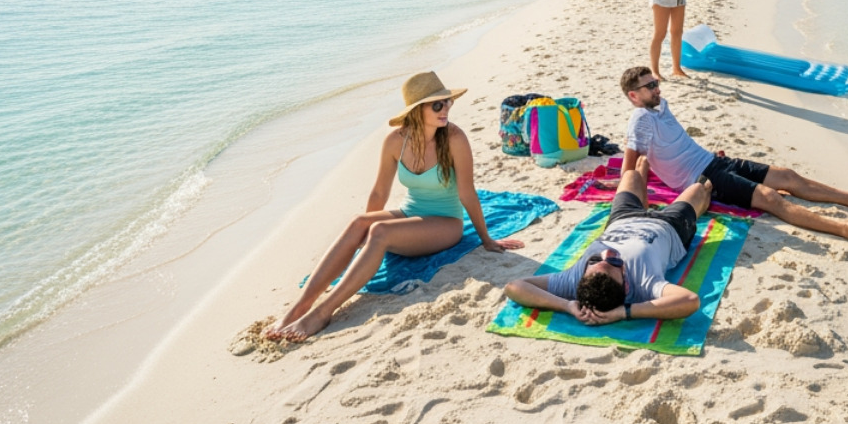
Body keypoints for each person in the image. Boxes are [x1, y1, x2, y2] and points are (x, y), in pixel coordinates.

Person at [267, 72, 523, 341]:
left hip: (446, 223)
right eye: (437, 104)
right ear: (416, 110)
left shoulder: (455, 139)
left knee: (380, 232)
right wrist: (361, 240)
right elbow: (379, 192)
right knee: (359, 222)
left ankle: (322, 313)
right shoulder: (394, 142)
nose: (446, 108)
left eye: (447, 102)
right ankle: (300, 306)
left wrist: (486, 239)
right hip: (410, 213)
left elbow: (468, 193)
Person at [619, 66, 848, 241]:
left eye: (655, 82)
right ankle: (844, 229)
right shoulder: (641, 119)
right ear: (633, 95)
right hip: (700, 179)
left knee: (787, 176)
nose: (657, 88)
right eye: (650, 86)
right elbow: (631, 169)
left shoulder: (659, 105)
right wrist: (635, 207)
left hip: (714, 161)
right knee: (770, 197)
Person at [503, 157, 709, 324]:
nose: (607, 253)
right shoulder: (644, 283)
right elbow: (690, 301)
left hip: (622, 218)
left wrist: (566, 306)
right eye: (614, 262)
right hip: (670, 227)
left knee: (630, 174)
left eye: (594, 260)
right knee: (700, 189)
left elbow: (514, 286)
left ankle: (644, 170)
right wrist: (625, 312)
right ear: (627, 286)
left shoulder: (573, 280)